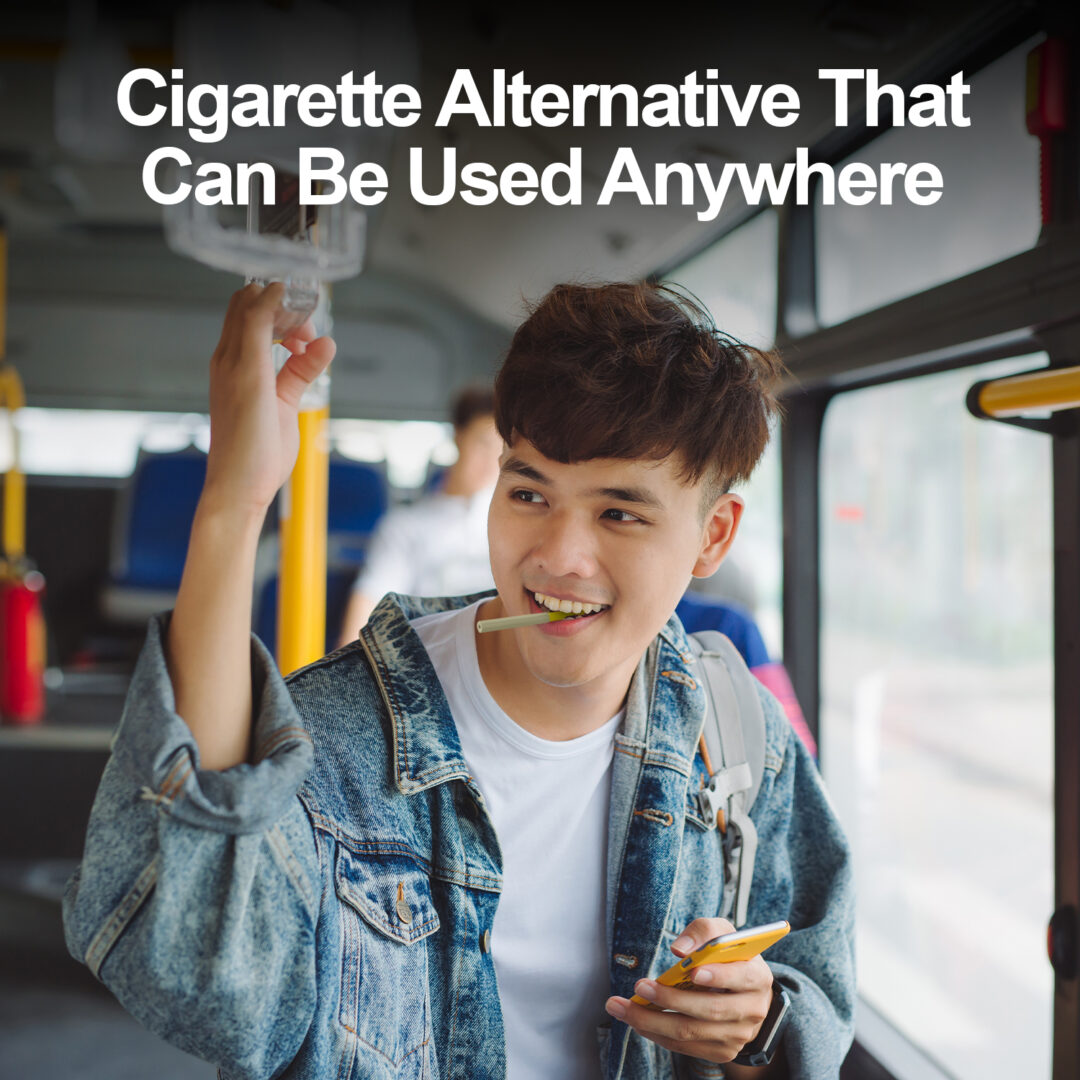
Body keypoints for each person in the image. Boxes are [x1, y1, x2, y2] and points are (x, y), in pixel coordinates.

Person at [63, 281, 854, 1080]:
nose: (557, 556)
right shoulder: (338, 734)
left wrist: (758, 1029)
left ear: (712, 537)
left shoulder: (737, 739)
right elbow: (193, 977)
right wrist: (234, 501)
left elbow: (815, 1002)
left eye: (620, 514)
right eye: (529, 492)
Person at [337, 386, 501, 647]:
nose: (492, 459)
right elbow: (367, 610)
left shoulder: (511, 524)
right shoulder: (406, 526)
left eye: (501, 447)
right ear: (459, 437)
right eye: (482, 442)